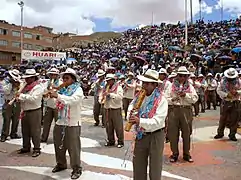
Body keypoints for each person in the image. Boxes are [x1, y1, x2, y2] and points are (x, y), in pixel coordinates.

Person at [127, 69, 168, 180]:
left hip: (155, 135)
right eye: (143, 83)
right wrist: (130, 115)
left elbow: (158, 121)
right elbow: (131, 107)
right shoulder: (138, 96)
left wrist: (139, 121)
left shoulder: (162, 100)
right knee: (138, 164)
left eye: (147, 83)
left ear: (155, 85)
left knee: (155, 166)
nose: (144, 85)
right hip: (141, 134)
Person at [49, 68, 83, 179]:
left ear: (73, 79)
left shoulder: (78, 90)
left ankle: (76, 168)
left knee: (74, 148)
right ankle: (61, 164)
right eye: (63, 78)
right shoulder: (62, 90)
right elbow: (55, 104)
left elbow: (72, 101)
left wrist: (57, 96)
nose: (64, 80)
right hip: (60, 121)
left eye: (67, 78)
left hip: (72, 123)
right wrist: (51, 96)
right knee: (59, 145)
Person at [165, 66, 198, 163]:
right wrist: (173, 100)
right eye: (180, 75)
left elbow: (195, 98)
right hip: (174, 110)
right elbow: (165, 99)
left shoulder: (190, 86)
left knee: (187, 133)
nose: (182, 78)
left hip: (186, 110)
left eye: (184, 76)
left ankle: (186, 154)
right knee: (173, 134)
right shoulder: (170, 86)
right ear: (177, 76)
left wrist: (186, 95)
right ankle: (174, 153)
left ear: (187, 76)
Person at [16, 69, 44, 157]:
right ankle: (26, 147)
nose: (26, 80)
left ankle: (36, 148)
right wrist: (18, 98)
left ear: (33, 78)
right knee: (25, 130)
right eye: (26, 78)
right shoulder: (25, 87)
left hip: (34, 111)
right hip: (25, 111)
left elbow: (33, 99)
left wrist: (21, 96)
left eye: (28, 78)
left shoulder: (38, 87)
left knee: (35, 131)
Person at [215, 68, 241, 141]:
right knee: (223, 118)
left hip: (236, 101)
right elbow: (218, 90)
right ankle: (220, 133)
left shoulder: (239, 81)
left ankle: (232, 134)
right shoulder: (223, 81)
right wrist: (226, 94)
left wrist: (237, 92)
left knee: (234, 119)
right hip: (226, 101)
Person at [99, 74, 124, 148]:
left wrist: (110, 94)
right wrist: (101, 99)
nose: (108, 82)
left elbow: (120, 97)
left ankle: (120, 141)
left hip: (116, 109)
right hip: (107, 108)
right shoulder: (105, 87)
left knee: (118, 126)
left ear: (113, 80)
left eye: (109, 80)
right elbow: (101, 95)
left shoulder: (118, 87)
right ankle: (111, 141)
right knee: (108, 126)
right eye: (107, 80)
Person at [41, 68, 62, 143]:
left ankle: (58, 139)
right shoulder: (46, 83)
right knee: (46, 123)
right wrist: (47, 89)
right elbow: (43, 93)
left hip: (57, 106)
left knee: (58, 124)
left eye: (54, 75)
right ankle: (43, 138)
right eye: (51, 74)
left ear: (57, 76)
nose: (53, 76)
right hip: (48, 105)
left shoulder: (60, 83)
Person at [1, 69, 22, 142]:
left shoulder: (19, 82)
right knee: (7, 119)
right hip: (8, 102)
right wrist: (12, 84)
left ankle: (14, 133)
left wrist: (18, 85)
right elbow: (6, 92)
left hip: (17, 102)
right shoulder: (4, 82)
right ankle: (4, 135)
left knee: (16, 119)